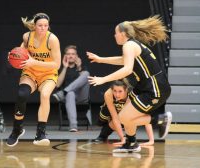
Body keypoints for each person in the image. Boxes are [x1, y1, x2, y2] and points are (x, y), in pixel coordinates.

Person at [87, 15, 172, 153]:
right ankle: (131, 143)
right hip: (145, 85)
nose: (114, 35)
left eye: (116, 33)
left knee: (124, 117)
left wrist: (103, 79)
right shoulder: (132, 45)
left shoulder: (129, 45)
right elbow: (123, 60)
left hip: (154, 87)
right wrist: (101, 59)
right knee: (125, 115)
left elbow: (127, 69)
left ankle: (160, 119)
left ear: (122, 33)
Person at [6, 13, 61, 147]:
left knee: (45, 94)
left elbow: (57, 65)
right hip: (31, 72)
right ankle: (17, 129)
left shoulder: (52, 39)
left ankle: (40, 133)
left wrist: (34, 62)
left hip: (48, 73)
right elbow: (20, 53)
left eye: (46, 26)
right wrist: (13, 56)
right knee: (21, 94)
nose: (43, 28)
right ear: (34, 26)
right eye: (40, 25)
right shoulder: (27, 37)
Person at [94, 79, 154, 146]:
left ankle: (104, 136)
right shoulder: (108, 94)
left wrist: (151, 140)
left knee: (131, 120)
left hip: (124, 113)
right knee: (104, 120)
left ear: (126, 90)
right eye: (115, 91)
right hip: (109, 112)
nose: (117, 94)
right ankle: (103, 135)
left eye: (120, 91)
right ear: (112, 90)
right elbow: (115, 118)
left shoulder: (134, 94)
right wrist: (122, 139)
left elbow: (145, 115)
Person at [52, 45, 90, 132]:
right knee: (70, 93)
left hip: (81, 96)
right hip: (69, 98)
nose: (71, 56)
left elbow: (84, 80)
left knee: (86, 73)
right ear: (65, 56)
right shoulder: (61, 69)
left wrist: (79, 67)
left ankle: (64, 92)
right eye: (68, 54)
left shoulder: (82, 67)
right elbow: (57, 85)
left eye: (73, 54)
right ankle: (73, 126)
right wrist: (65, 67)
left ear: (76, 56)